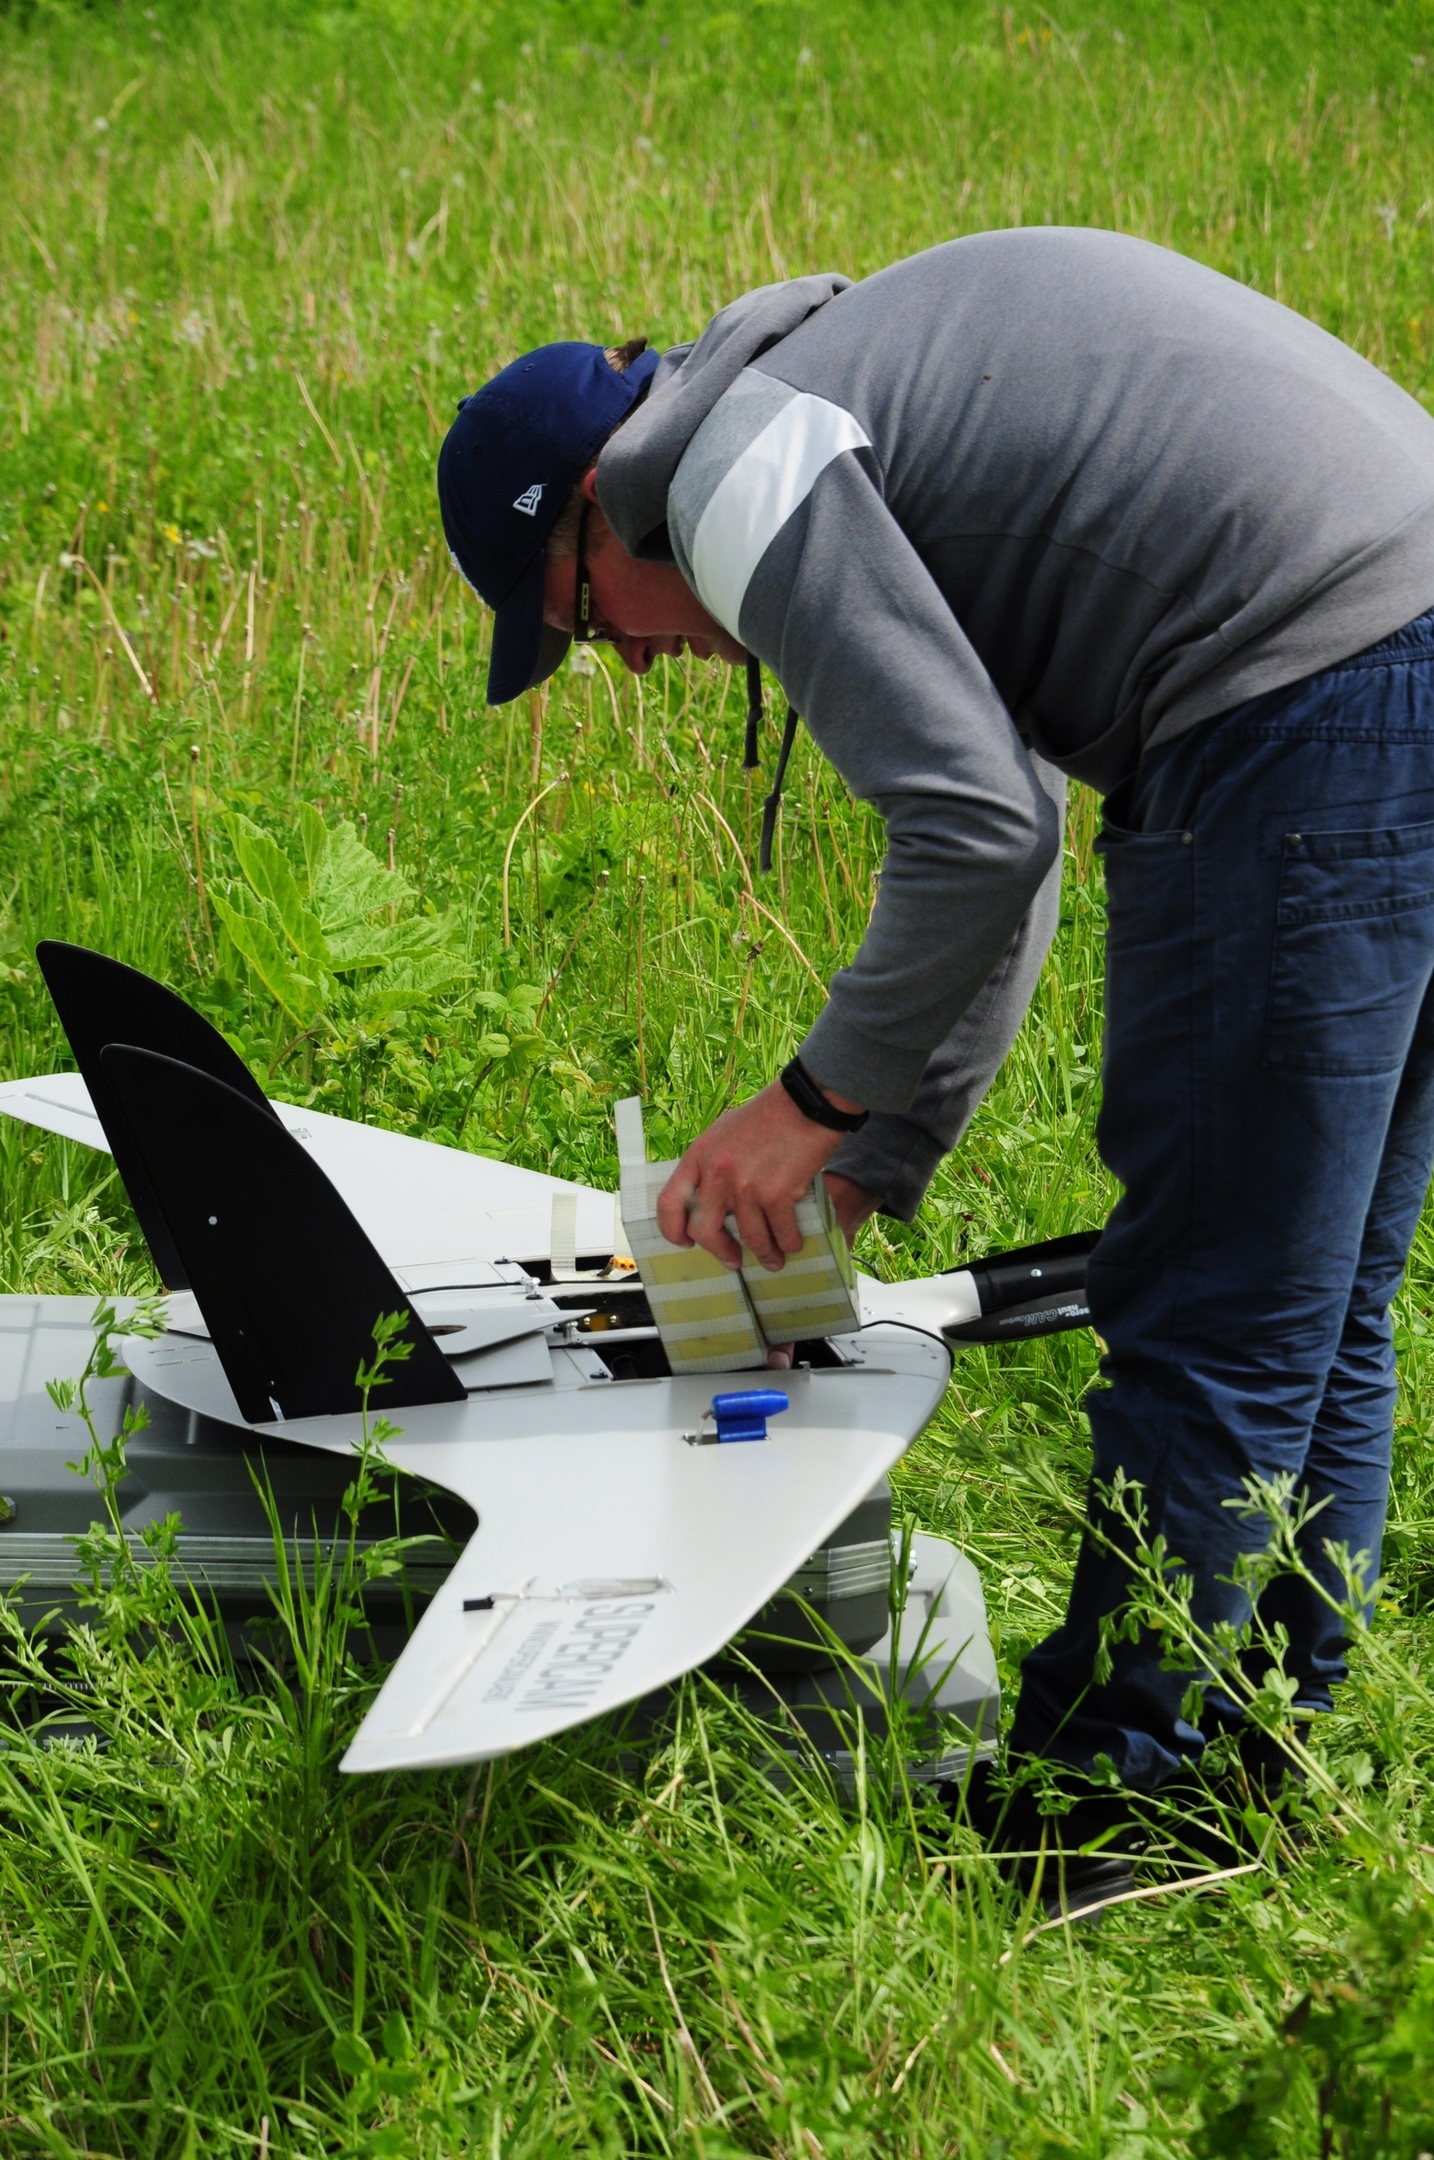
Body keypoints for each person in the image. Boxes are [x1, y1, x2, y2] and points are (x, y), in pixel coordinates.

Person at [438, 229, 1434, 1897]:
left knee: (1209, 1311)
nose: (626, 661)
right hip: (1395, 637)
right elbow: (1017, 828)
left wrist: (805, 1108)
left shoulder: (747, 475)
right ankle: (1273, 1763)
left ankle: (1115, 1812)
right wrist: (874, 1160)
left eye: (581, 622)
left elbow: (969, 833)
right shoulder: (821, 402)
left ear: (593, 513)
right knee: (1315, 1296)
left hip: (1308, 701)